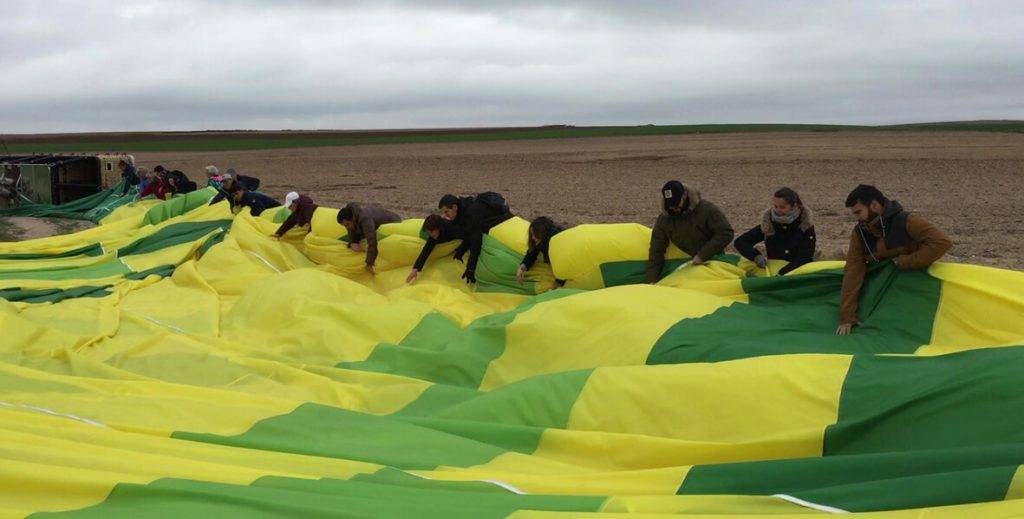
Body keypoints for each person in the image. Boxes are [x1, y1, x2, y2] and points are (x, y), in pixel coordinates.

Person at [836, 184, 952, 335]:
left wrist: (906, 262)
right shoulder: (860, 233)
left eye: (859, 212)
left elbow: (942, 242)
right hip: (883, 289)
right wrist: (847, 317)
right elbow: (853, 271)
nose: (857, 219)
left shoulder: (908, 221)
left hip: (914, 286)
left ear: (874, 205)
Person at [407, 192, 513, 284]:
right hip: (478, 222)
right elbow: (429, 245)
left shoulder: (469, 214)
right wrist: (416, 268)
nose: (444, 215)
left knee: (480, 230)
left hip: (499, 217)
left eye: (446, 212)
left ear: (455, 207)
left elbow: (475, 240)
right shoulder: (458, 216)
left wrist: (470, 269)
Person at [646, 180, 734, 283]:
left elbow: (726, 233)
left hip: (714, 263)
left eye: (676, 203)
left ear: (685, 195)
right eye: (670, 205)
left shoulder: (707, 210)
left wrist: (702, 256)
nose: (674, 208)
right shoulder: (664, 220)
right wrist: (652, 280)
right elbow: (656, 251)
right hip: (688, 269)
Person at [733, 187, 816, 275]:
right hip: (773, 272)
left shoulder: (805, 226)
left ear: (794, 206)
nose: (778, 211)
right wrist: (756, 256)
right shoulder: (768, 224)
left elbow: (805, 257)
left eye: (782, 207)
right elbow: (740, 242)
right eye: (775, 206)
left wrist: (781, 273)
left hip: (797, 273)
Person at [337, 202, 402, 274]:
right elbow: (353, 236)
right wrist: (352, 243)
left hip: (395, 223)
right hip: (376, 225)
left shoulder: (365, 219)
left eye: (347, 224)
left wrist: (369, 263)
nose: (347, 227)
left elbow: (372, 242)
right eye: (345, 226)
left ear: (352, 218)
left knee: (374, 241)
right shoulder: (352, 219)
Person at [516, 216, 565, 284]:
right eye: (532, 234)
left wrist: (559, 284)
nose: (532, 237)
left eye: (534, 234)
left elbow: (562, 267)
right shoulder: (542, 241)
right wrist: (522, 266)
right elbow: (532, 253)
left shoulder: (557, 243)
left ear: (542, 233)